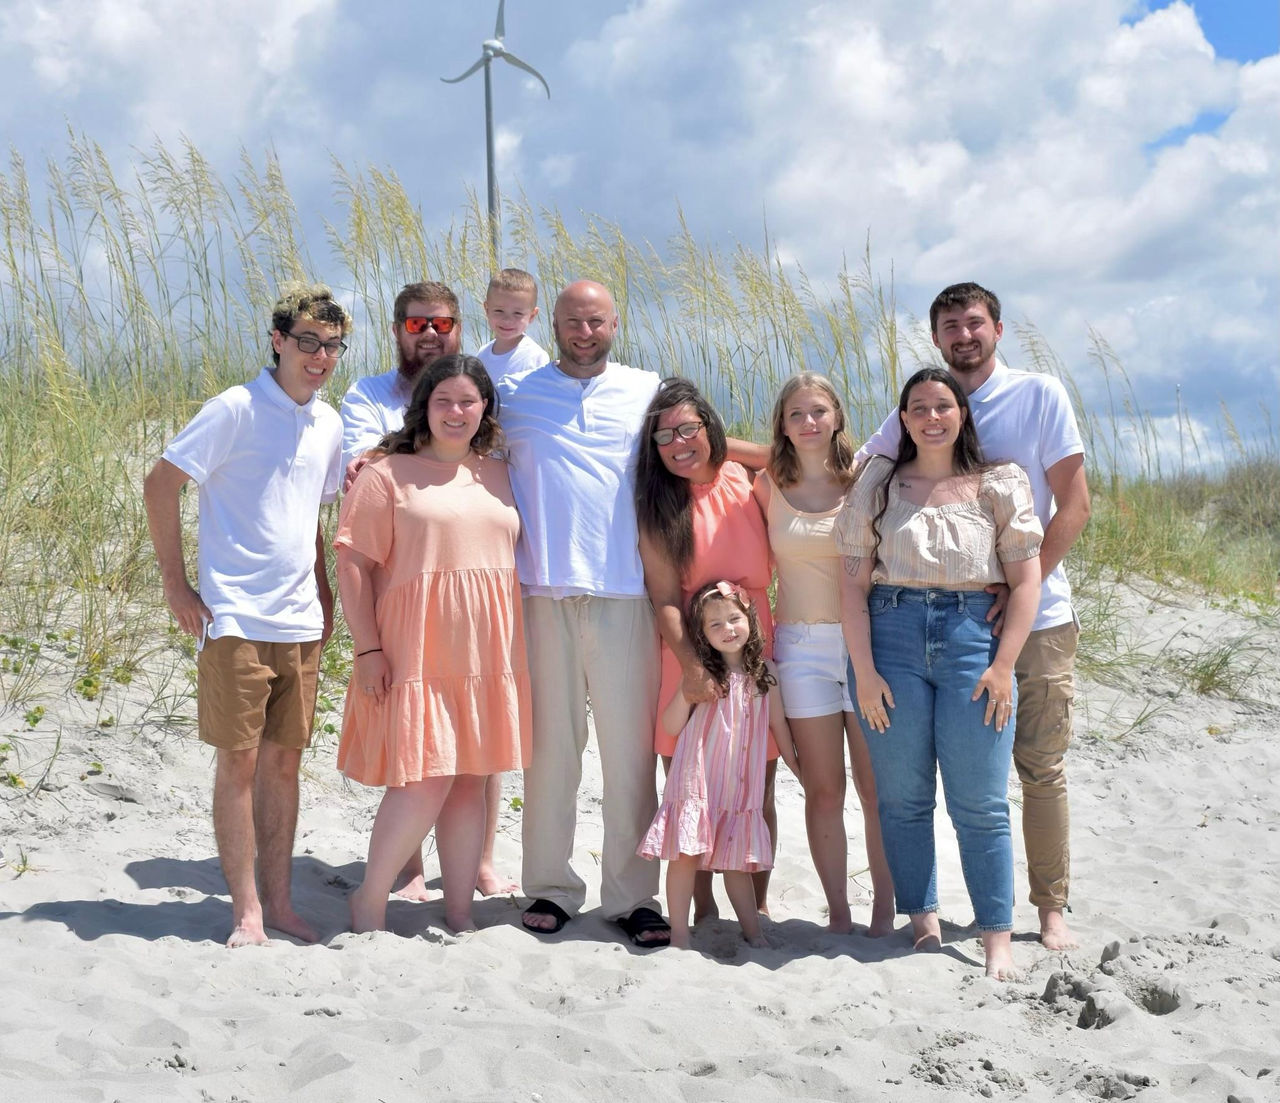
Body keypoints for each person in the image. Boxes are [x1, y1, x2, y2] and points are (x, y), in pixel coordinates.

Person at [857, 282, 1091, 951]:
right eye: (951, 325)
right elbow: (856, 470)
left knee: (1037, 767)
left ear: (998, 328)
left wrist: (1022, 583)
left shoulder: (1038, 394)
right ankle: (935, 911)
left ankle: (1049, 911)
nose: (965, 334)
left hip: (1036, 615)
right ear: (936, 338)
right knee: (942, 781)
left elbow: (1073, 504)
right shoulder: (924, 402)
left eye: (975, 322)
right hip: (939, 624)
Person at [142, 282, 349, 947]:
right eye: (309, 342)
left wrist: (324, 595)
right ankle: (246, 912)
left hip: (299, 622)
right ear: (279, 340)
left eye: (333, 346)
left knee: (284, 766)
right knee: (239, 764)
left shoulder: (329, 422)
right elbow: (161, 482)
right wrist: (178, 588)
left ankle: (282, 903)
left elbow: (309, 520)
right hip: (233, 616)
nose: (319, 357)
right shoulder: (234, 407)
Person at [838, 367, 1043, 980]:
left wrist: (1004, 664)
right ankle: (923, 923)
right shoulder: (877, 481)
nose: (931, 417)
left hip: (971, 639)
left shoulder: (998, 483)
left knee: (980, 801)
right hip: (890, 634)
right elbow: (850, 586)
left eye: (943, 406)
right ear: (902, 419)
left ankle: (995, 937)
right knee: (902, 799)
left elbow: (1027, 582)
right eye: (918, 408)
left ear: (961, 415)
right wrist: (865, 671)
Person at [499, 279, 669, 947]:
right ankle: (549, 886)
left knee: (629, 755)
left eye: (596, 320)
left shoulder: (647, 389)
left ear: (615, 322)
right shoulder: (517, 398)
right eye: (572, 320)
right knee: (550, 754)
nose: (584, 331)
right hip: (541, 595)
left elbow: (700, 446)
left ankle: (632, 896)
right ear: (553, 324)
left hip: (627, 595)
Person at [336, 355, 531, 934]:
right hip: (416, 645)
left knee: (471, 776)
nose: (456, 412)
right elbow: (352, 563)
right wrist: (367, 650)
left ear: (485, 409)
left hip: (488, 652)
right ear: (423, 405)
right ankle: (371, 898)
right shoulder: (387, 474)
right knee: (424, 778)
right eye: (443, 400)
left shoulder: (500, 473)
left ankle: (459, 910)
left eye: (468, 401)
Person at [754, 372, 894, 935]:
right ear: (782, 426)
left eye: (818, 412)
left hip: (865, 646)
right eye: (796, 414)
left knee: (875, 787)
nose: (808, 423)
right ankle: (838, 912)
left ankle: (886, 906)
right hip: (799, 648)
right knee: (823, 787)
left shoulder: (867, 479)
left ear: (837, 416)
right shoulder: (766, 485)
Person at [635, 376, 780, 922]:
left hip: (755, 642)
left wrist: (712, 444)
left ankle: (757, 905)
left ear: (711, 427)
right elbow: (665, 598)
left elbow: (779, 453)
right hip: (687, 649)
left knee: (755, 783)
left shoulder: (745, 477)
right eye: (663, 436)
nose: (678, 444)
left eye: (688, 428)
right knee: (689, 785)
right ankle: (703, 907)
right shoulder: (656, 506)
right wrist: (693, 669)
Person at [639, 582, 799, 949]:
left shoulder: (766, 674)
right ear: (701, 634)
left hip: (738, 787)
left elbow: (780, 729)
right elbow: (671, 726)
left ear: (750, 620)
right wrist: (684, 692)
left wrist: (798, 767)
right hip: (697, 782)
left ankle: (753, 932)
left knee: (736, 863)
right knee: (685, 856)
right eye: (715, 625)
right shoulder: (700, 679)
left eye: (734, 619)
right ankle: (679, 934)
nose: (727, 629)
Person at [475, 268, 548, 383]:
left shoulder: (535, 357)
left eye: (518, 313)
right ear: (487, 309)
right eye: (499, 311)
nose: (507, 320)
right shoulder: (482, 354)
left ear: (532, 316)